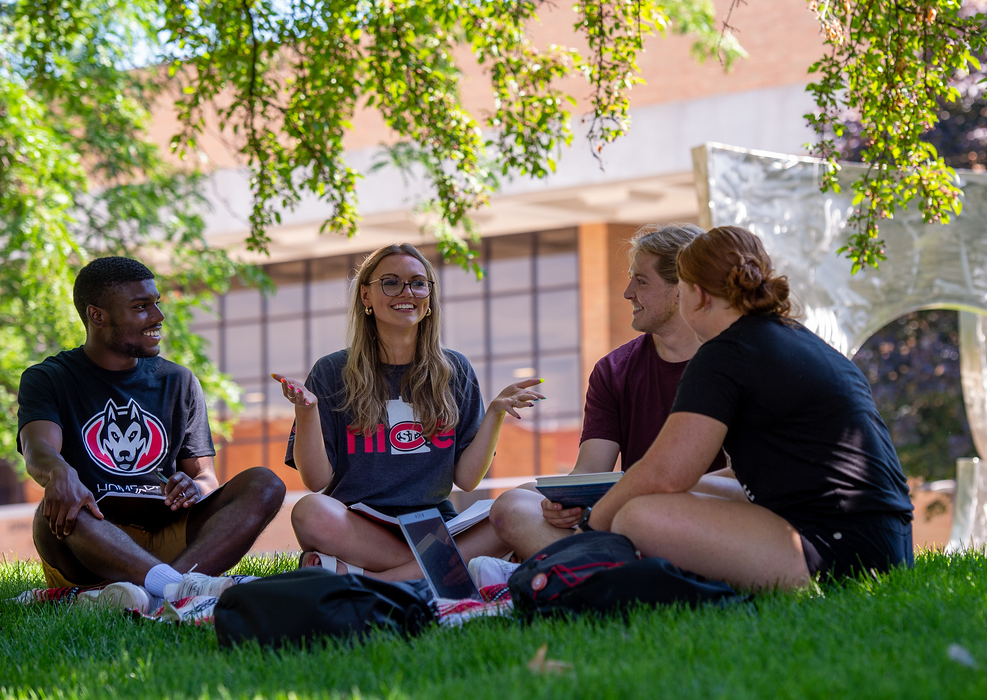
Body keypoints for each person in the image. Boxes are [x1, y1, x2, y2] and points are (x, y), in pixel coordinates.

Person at [581, 226, 914, 588]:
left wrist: (592, 525)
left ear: (697, 295)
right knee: (680, 494)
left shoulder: (724, 353)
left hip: (839, 552)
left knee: (637, 516)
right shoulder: (789, 336)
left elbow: (665, 474)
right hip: (886, 544)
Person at [17, 257, 286, 609]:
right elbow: (38, 448)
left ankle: (162, 588)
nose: (158, 316)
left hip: (167, 532)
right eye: (141, 307)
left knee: (265, 483)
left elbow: (204, 477)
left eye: (156, 303)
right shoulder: (49, 378)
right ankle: (180, 591)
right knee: (65, 504)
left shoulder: (178, 380)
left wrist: (194, 488)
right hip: (91, 541)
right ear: (98, 316)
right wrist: (60, 471)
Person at [275, 243, 543, 580]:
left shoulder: (455, 369)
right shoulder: (331, 371)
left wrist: (495, 413)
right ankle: (441, 575)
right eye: (390, 282)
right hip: (360, 525)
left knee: (525, 500)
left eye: (418, 283)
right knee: (309, 511)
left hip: (434, 525)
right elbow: (316, 482)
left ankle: (372, 580)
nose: (407, 292)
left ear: (429, 298)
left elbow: (466, 479)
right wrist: (307, 412)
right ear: (365, 297)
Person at [488, 223, 731, 560]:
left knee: (642, 519)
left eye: (641, 281)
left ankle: (572, 572)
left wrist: (639, 493)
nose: (628, 292)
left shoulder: (733, 361)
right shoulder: (613, 369)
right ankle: (610, 573)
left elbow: (741, 479)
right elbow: (590, 470)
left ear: (681, 289)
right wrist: (564, 504)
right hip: (627, 517)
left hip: (705, 517)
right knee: (513, 504)